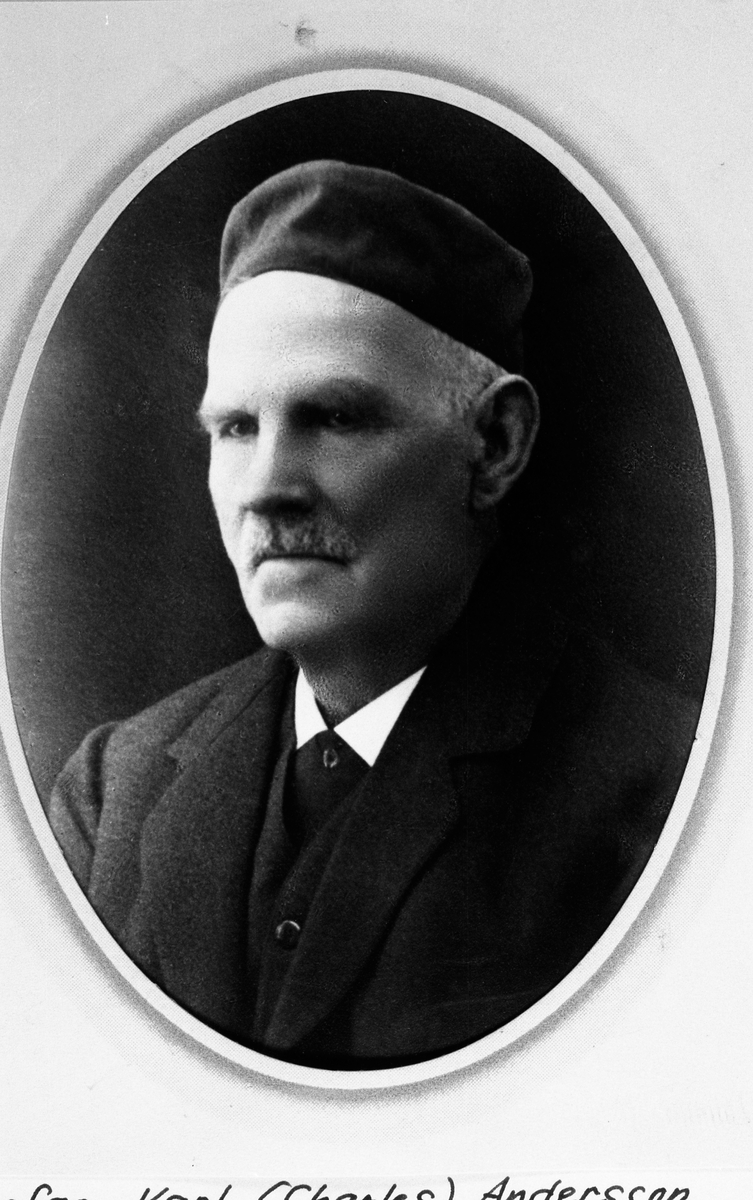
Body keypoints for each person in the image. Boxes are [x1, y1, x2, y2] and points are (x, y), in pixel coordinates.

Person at [48, 160, 700, 1070]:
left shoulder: (664, 799)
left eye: (335, 417)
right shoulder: (114, 791)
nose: (266, 488)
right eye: (235, 428)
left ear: (495, 445)